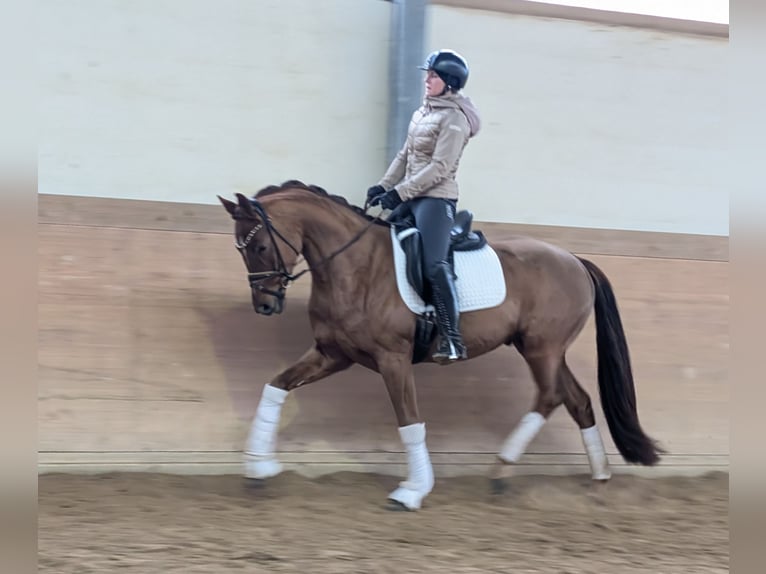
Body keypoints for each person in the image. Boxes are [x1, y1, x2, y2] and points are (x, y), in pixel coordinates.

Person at [368, 49, 481, 364]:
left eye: (433, 75)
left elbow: (439, 168)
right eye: (427, 74)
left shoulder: (455, 119)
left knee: (434, 264)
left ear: (449, 82)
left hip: (437, 198)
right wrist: (383, 185)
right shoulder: (423, 112)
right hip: (412, 195)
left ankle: (453, 339)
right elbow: (404, 155)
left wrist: (399, 193)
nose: (427, 79)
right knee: (379, 240)